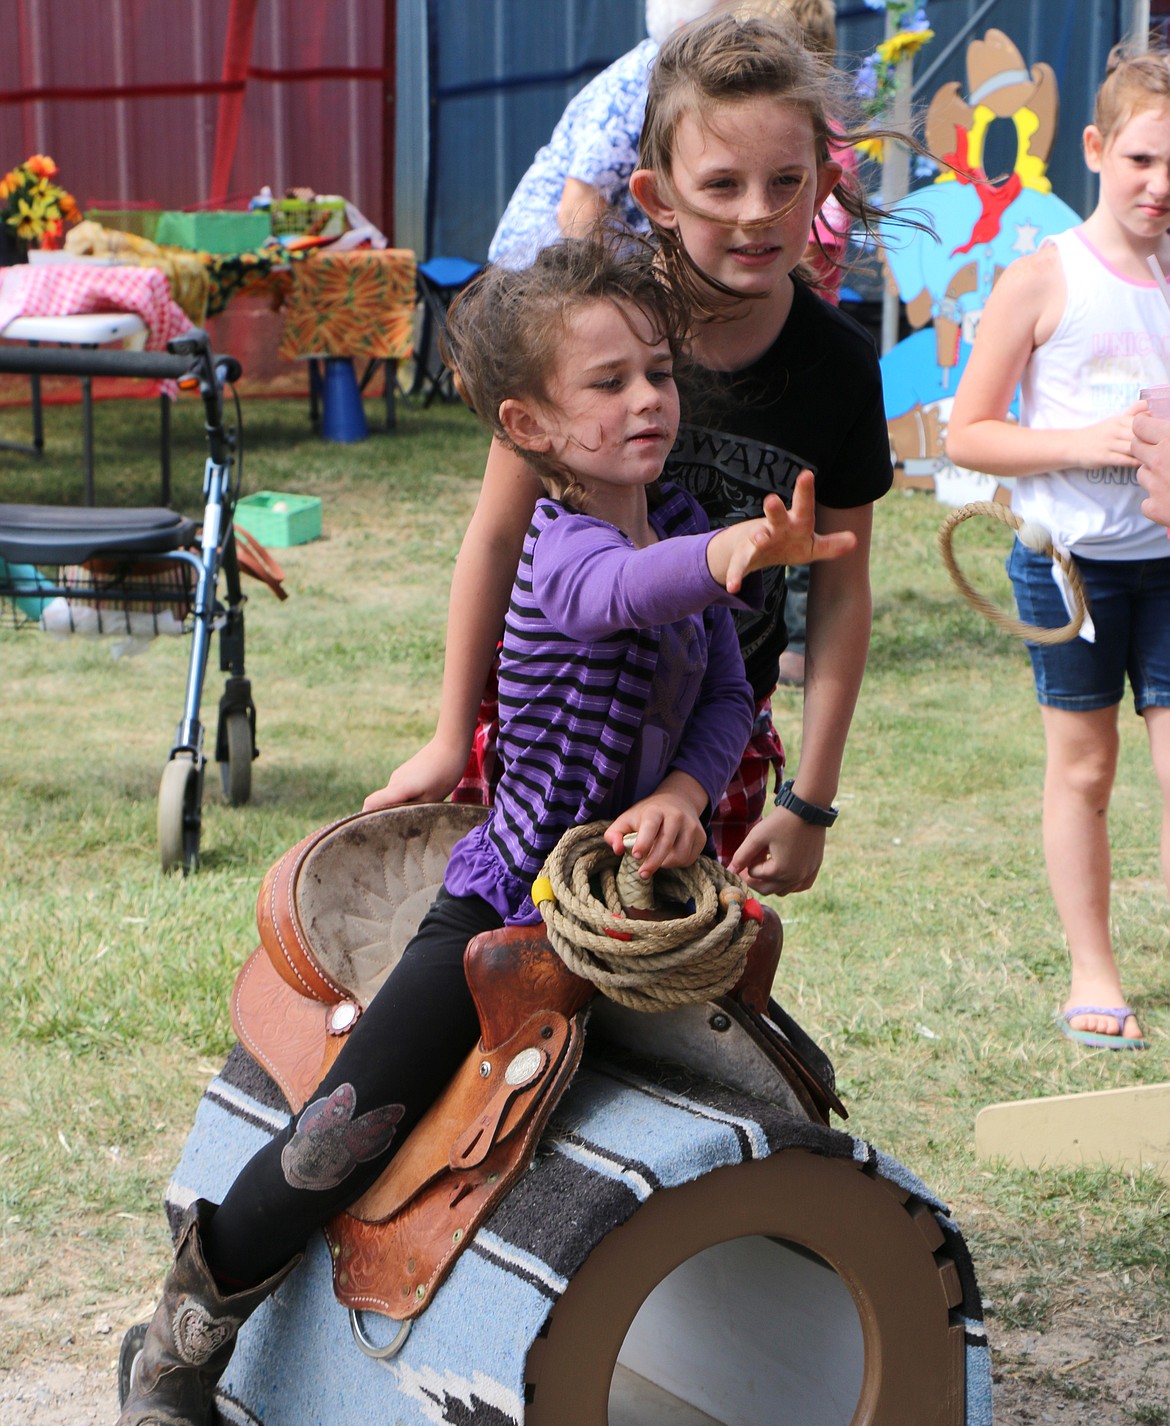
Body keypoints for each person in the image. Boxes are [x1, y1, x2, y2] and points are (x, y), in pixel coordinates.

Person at [98, 234, 852, 1426]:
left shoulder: (672, 518)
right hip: (510, 907)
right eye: (606, 383)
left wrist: (681, 792)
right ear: (531, 425)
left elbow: (729, 687)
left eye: (657, 373)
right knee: (346, 1130)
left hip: (638, 914)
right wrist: (731, 555)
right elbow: (629, 593)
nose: (648, 400)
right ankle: (180, 1346)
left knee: (776, 1092)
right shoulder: (568, 549)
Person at [373, 11, 895, 897]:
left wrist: (812, 800)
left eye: (786, 181)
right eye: (721, 184)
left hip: (706, 746)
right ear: (656, 197)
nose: (758, 212)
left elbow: (842, 586)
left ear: (825, 187)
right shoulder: (585, 334)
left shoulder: (841, 367)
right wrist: (447, 729)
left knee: (668, 995)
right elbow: (496, 539)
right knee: (496, 973)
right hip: (550, 731)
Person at [947, 45, 1170, 1049]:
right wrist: (1090, 443)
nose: (1161, 187)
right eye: (1142, 162)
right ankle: (1093, 970)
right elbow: (968, 433)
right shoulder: (1043, 279)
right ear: (1095, 149)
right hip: (1067, 566)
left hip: (1169, 563)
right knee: (1084, 770)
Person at [488, 0, 721, 268]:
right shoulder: (639, 87)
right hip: (538, 273)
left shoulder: (674, 77)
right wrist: (606, 294)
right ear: (684, 30)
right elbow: (580, 205)